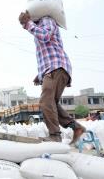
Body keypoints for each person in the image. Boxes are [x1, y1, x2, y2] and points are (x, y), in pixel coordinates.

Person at [19, 11, 85, 143]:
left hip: (56, 67)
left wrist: (28, 24)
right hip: (53, 68)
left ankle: (55, 135)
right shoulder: (40, 25)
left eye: (23, 22)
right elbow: (47, 51)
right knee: (51, 103)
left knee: (45, 102)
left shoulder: (47, 19)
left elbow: (45, 36)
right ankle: (76, 127)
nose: (24, 25)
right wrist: (39, 75)